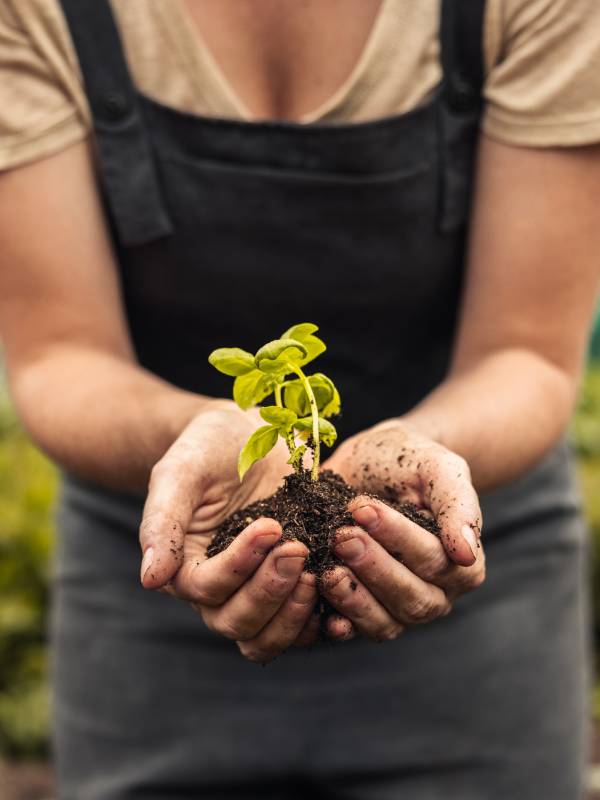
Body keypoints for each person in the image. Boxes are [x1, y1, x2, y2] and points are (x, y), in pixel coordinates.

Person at [1, 0, 599, 797]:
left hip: (468, 584)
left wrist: (419, 449)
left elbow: (524, 350)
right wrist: (197, 429)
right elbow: (59, 352)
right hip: (162, 580)